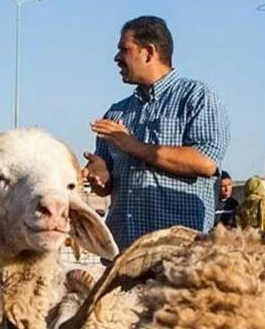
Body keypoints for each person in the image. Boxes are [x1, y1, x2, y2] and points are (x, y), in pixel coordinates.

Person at [83, 16, 230, 250]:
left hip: (179, 255)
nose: (117, 58)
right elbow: (105, 187)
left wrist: (131, 144)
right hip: (124, 252)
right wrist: (100, 175)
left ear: (149, 52)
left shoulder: (196, 97)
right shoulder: (116, 113)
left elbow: (205, 162)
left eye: (124, 49)